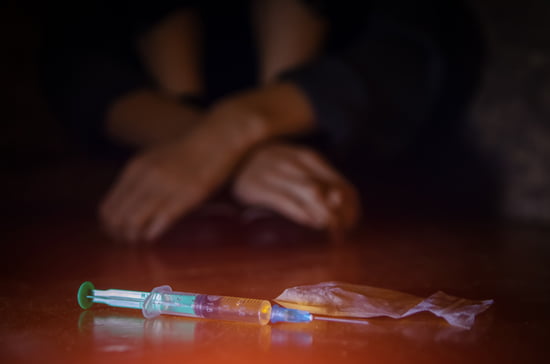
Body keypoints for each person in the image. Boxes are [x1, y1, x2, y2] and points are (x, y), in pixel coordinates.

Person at [41, 0, 484, 243]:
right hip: (284, 170)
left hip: (356, 177)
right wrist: (218, 150)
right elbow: (75, 66)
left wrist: (224, 137)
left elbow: (421, 45)